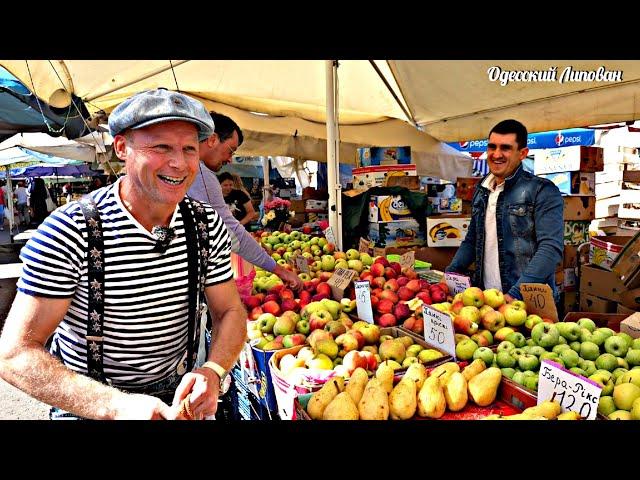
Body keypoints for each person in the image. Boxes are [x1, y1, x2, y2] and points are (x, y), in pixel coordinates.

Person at [0, 88, 247, 420]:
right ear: (121, 147)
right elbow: (15, 354)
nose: (178, 162)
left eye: (189, 148)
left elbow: (230, 310)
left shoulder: (205, 224)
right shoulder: (71, 230)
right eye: (161, 146)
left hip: (177, 399)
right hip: (88, 402)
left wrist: (213, 370)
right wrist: (116, 406)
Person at [446, 119, 563, 302]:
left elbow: (550, 249)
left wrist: (515, 294)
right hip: (486, 300)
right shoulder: (481, 189)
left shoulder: (542, 191)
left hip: (528, 303)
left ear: (523, 153)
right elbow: (472, 240)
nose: (496, 154)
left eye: (505, 148)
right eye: (492, 147)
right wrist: (450, 275)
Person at [188, 112, 302, 291]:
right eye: (230, 150)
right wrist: (279, 270)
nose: (229, 159)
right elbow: (233, 232)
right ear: (212, 139)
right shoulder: (202, 177)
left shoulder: (185, 171)